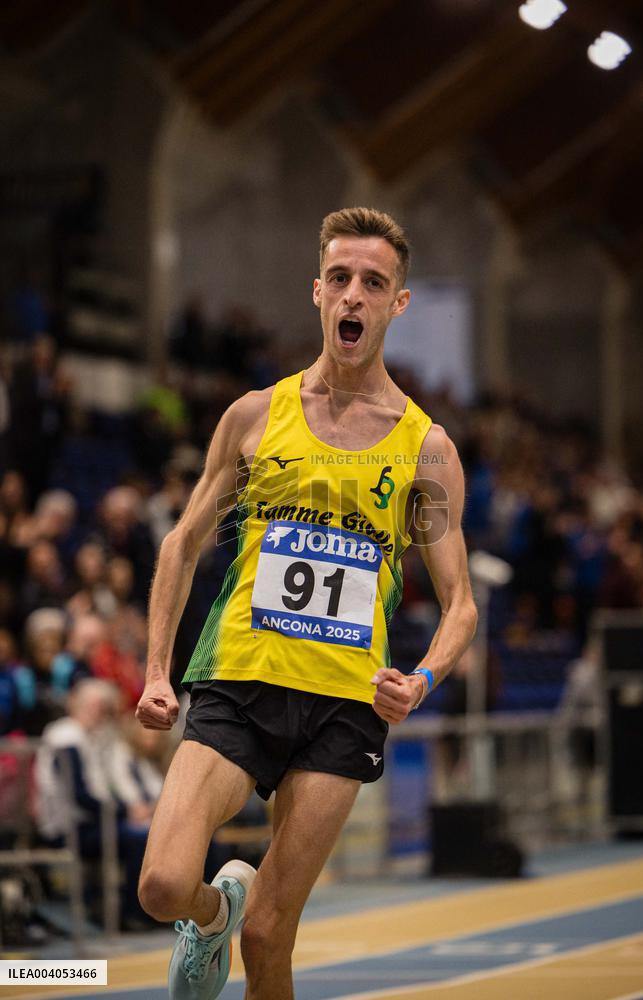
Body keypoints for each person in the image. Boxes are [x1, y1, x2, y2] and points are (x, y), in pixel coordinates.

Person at [136, 207, 478, 1000]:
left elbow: (460, 603)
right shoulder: (255, 416)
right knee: (161, 885)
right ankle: (211, 915)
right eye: (340, 278)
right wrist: (156, 671)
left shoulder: (425, 449)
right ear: (317, 292)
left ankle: (243, 923)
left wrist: (421, 679)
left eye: (374, 283)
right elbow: (182, 543)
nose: (354, 295)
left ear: (398, 303)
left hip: (342, 707)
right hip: (237, 681)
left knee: (271, 936)